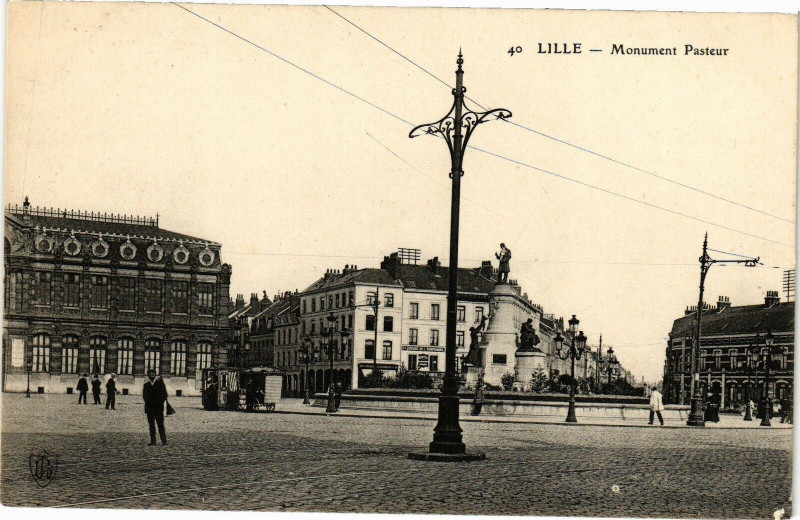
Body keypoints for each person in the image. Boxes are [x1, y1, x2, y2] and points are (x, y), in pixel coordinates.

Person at [143, 370, 168, 445]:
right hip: (150, 408)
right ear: (148, 376)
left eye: (153, 374)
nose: (151, 376)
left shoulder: (160, 384)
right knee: (151, 425)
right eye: (150, 374)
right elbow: (144, 396)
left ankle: (164, 441)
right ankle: (153, 441)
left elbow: (165, 395)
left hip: (158, 408)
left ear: (155, 375)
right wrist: (149, 403)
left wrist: (158, 402)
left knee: (160, 425)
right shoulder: (146, 385)